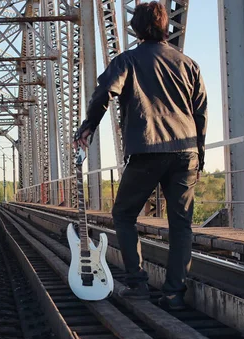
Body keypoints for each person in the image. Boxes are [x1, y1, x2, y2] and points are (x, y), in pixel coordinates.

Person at [73, 1, 207, 310]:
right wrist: (199, 155)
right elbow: (200, 113)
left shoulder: (127, 61)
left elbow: (104, 91)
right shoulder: (189, 64)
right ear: (164, 27)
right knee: (181, 225)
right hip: (186, 152)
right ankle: (174, 294)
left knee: (123, 214)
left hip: (147, 149)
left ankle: (137, 283)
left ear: (135, 29)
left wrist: (89, 127)